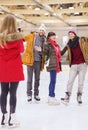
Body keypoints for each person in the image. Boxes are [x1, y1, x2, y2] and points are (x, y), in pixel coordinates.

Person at [0, 15, 24, 128]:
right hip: (14, 67)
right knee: (13, 92)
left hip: (3, 67)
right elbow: (21, 50)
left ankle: (4, 116)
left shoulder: (0, 38)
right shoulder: (18, 38)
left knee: (3, 92)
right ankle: (12, 117)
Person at [61, 30, 87, 104]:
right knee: (70, 81)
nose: (71, 35)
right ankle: (67, 96)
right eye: (69, 34)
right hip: (74, 65)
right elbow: (62, 52)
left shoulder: (81, 40)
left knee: (81, 82)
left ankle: (79, 96)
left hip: (82, 65)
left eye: (72, 34)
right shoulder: (68, 44)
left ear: (75, 34)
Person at [23, 24, 46, 102]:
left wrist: (41, 51)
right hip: (30, 60)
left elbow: (45, 53)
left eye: (43, 30)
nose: (41, 31)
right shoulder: (31, 36)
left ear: (44, 32)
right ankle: (29, 95)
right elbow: (23, 39)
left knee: (37, 79)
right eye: (40, 30)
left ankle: (36, 94)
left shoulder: (45, 40)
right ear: (38, 30)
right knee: (29, 79)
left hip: (38, 61)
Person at [43, 32, 61, 105]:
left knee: (53, 81)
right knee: (53, 81)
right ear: (49, 37)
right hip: (51, 64)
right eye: (52, 36)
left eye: (54, 35)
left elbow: (59, 53)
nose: (54, 36)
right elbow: (45, 53)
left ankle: (50, 96)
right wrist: (41, 50)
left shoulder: (56, 44)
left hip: (56, 64)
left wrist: (67, 47)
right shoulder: (48, 44)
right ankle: (51, 97)